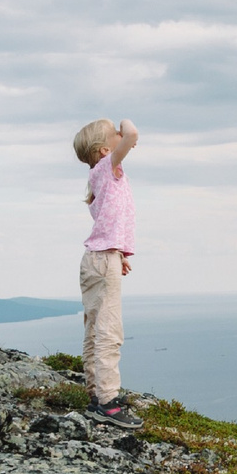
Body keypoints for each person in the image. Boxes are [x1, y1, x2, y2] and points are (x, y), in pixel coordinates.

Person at [73, 117, 142, 429]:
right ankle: (108, 402)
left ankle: (95, 393)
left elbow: (113, 221)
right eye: (113, 133)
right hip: (103, 260)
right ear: (103, 151)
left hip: (98, 258)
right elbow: (133, 135)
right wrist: (124, 122)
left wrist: (121, 254)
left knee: (94, 330)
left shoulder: (103, 175)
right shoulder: (104, 168)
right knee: (109, 332)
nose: (120, 134)